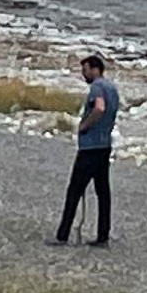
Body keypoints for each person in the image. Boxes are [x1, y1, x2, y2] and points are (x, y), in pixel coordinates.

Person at [48, 55, 120, 248]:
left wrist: (84, 126)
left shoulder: (97, 87)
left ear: (95, 69)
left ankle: (62, 235)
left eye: (85, 70)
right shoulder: (112, 88)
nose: (83, 74)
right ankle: (103, 235)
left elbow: (99, 108)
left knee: (74, 191)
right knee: (103, 192)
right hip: (104, 145)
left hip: (90, 148)